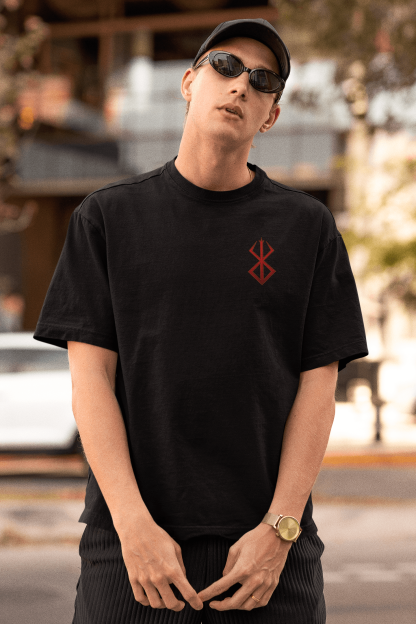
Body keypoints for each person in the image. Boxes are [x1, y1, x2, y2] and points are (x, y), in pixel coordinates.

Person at [34, 18, 368, 624]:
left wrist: (280, 530)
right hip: (133, 545)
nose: (241, 85)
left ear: (271, 115)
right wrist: (133, 527)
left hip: (268, 548)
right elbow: (91, 383)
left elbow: (319, 389)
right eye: (225, 66)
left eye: (262, 80)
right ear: (189, 83)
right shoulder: (106, 218)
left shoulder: (306, 227)